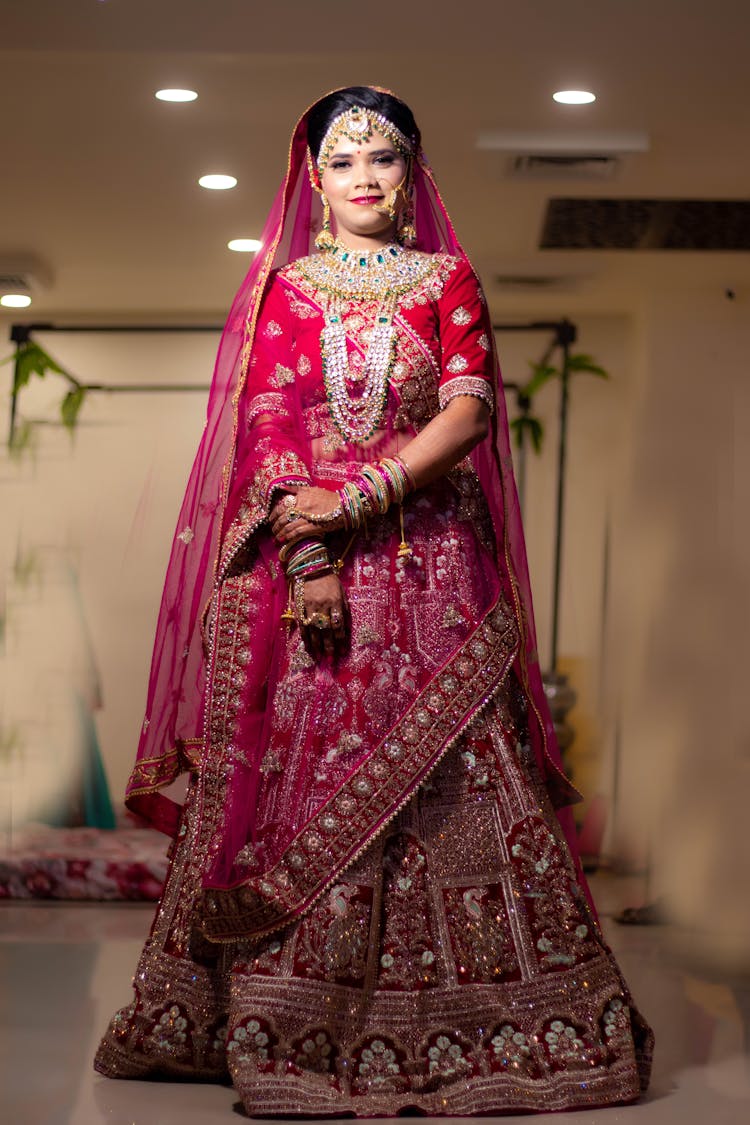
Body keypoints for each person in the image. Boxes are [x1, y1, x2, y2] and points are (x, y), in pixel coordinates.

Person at [95, 86, 653, 1115]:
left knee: (466, 786)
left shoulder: (448, 279)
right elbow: (266, 429)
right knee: (302, 786)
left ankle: (504, 1017)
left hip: (435, 570)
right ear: (313, 179)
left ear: (410, 178)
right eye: (344, 159)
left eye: (383, 159)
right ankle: (281, 1015)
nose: (363, 176)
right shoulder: (285, 291)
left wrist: (359, 495)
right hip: (309, 571)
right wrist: (308, 556)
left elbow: (470, 410)